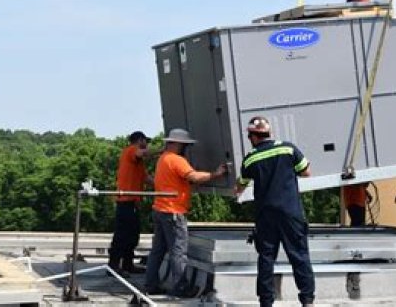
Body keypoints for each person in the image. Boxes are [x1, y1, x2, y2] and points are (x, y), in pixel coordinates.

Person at [235, 116, 315, 307]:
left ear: (254, 136)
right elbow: (306, 172)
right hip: (290, 212)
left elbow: (240, 186)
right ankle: (307, 300)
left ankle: (266, 302)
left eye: (249, 136)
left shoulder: (250, 158)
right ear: (269, 133)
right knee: (299, 255)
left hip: (265, 215)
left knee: (266, 258)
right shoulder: (288, 149)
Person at [144, 128, 226, 297]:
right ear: (177, 144)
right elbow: (193, 177)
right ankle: (181, 287)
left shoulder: (163, 159)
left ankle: (150, 284)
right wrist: (215, 174)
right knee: (178, 251)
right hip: (173, 211)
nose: (185, 149)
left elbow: (177, 181)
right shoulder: (177, 160)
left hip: (160, 209)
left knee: (157, 251)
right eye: (184, 145)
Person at [108, 131, 153, 277]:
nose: (147, 145)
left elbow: (146, 178)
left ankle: (128, 264)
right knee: (122, 235)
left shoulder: (138, 163)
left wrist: (164, 186)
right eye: (145, 141)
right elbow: (141, 153)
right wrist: (162, 151)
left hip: (132, 202)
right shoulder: (130, 151)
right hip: (125, 201)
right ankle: (113, 266)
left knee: (133, 235)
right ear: (139, 140)